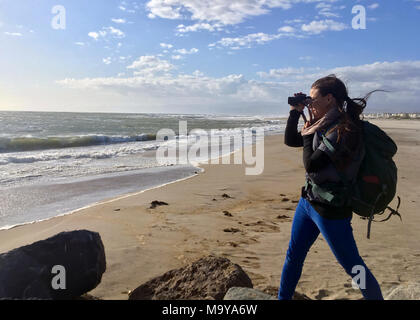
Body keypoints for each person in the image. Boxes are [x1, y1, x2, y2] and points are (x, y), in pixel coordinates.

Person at [277, 75, 384, 300]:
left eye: (312, 99)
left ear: (329, 99)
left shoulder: (345, 130)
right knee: (293, 257)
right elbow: (290, 140)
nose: (310, 104)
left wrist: (307, 134)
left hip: (331, 211)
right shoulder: (322, 123)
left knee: (354, 267)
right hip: (308, 203)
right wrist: (295, 112)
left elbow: (313, 164)